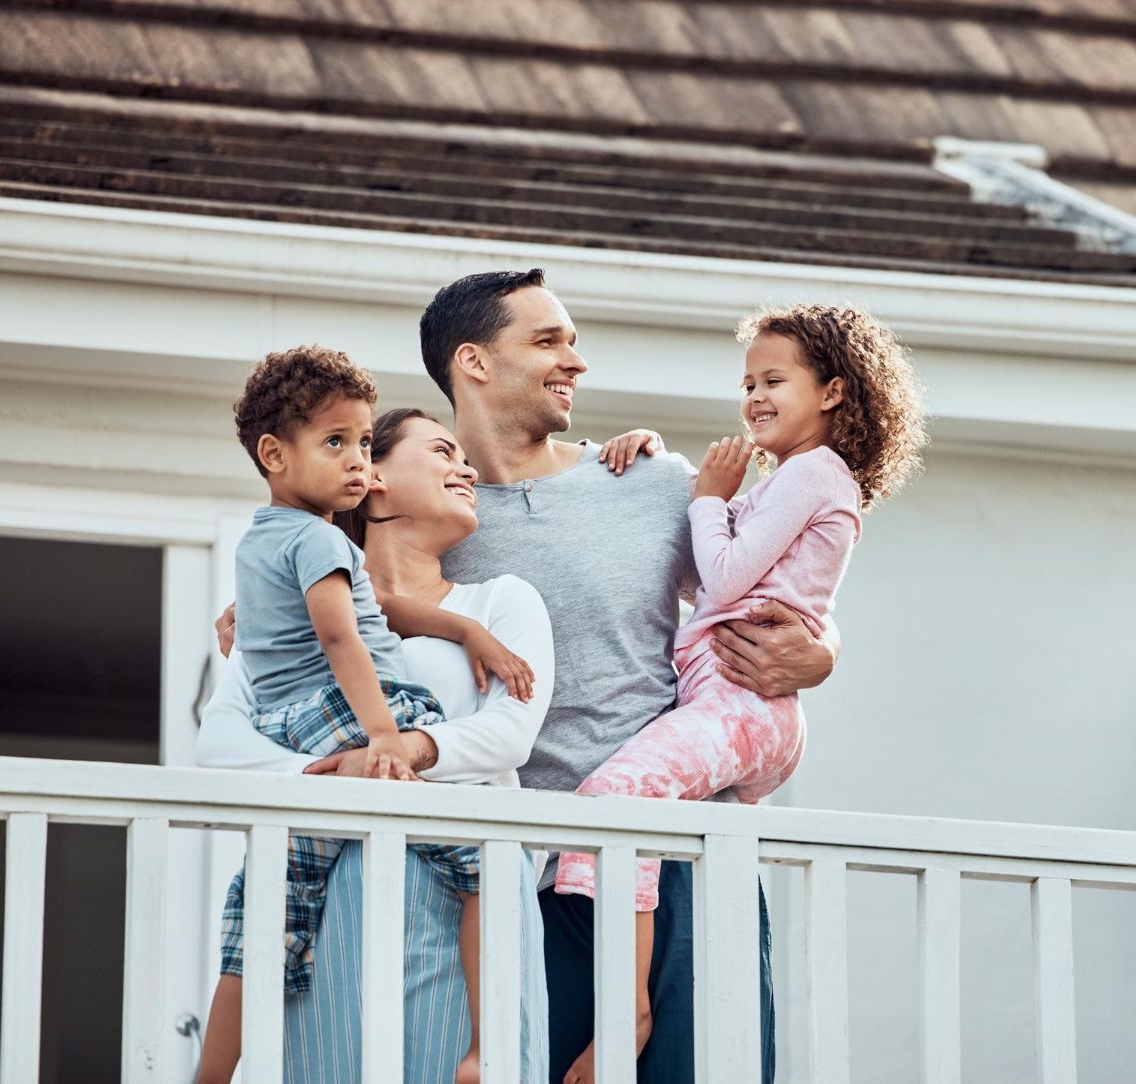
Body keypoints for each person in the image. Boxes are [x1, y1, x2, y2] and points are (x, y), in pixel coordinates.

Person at [418, 269, 841, 1084]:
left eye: (572, 341)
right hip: (523, 882)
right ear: (473, 363)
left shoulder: (646, 481)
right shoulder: (429, 513)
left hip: (685, 867)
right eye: (548, 341)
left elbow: (786, 576)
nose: (576, 361)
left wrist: (824, 654)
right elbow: (337, 593)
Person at [550, 304, 927, 1067]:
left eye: (774, 380)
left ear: (833, 392)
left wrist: (704, 497)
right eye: (747, 381)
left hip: (742, 702)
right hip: (738, 705)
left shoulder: (815, 473)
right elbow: (700, 577)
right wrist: (652, 469)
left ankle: (628, 1013)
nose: (753, 395)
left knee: (612, 802)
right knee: (667, 841)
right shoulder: (788, 481)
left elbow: (721, 574)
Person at [197, 404, 555, 1083]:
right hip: (337, 891)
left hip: (458, 897)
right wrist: (333, 771)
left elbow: (510, 732)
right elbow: (220, 743)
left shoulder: (499, 601)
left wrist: (402, 752)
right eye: (443, 451)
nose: (467, 468)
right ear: (373, 479)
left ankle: (483, 1048)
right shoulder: (288, 603)